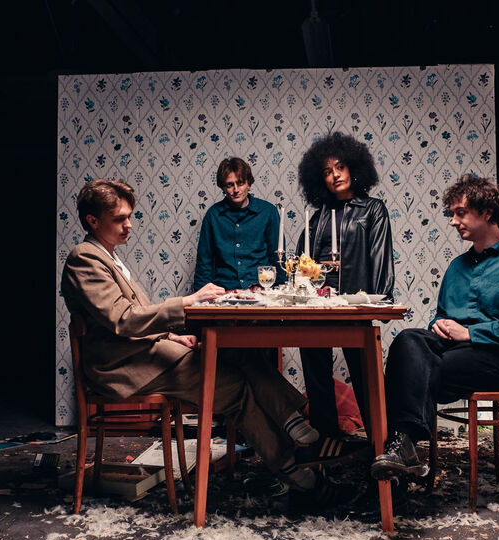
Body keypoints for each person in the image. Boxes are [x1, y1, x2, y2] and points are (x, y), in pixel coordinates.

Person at [61, 179, 335, 502]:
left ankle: (292, 427)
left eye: (129, 216)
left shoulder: (107, 257)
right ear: (93, 221)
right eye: (119, 218)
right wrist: (187, 302)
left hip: (143, 354)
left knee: (237, 353)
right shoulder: (85, 259)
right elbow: (123, 319)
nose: (129, 225)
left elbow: (134, 318)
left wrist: (173, 336)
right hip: (123, 367)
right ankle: (291, 459)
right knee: (237, 388)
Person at [370, 175, 499, 480]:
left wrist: (470, 333)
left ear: (487, 213)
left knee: (422, 367)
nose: (453, 221)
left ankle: (401, 446)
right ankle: (403, 449)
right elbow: (442, 318)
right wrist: (438, 325)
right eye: (451, 214)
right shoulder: (457, 267)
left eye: (460, 213)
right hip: (455, 355)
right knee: (408, 340)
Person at [296, 132, 395, 441]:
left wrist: (377, 301)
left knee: (365, 374)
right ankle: (327, 438)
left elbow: (380, 257)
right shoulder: (317, 217)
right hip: (317, 303)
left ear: (354, 168)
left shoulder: (373, 210)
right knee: (315, 370)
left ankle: (380, 438)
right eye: (326, 171)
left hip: (354, 302)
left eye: (339, 167)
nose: (334, 175)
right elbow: (303, 262)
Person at [193, 157, 284, 291]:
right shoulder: (213, 215)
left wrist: (281, 296)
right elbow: (204, 264)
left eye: (240, 183)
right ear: (223, 187)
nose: (236, 190)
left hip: (262, 291)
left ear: (248, 183)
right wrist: (199, 302)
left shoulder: (268, 212)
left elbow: (278, 258)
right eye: (230, 185)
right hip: (223, 293)